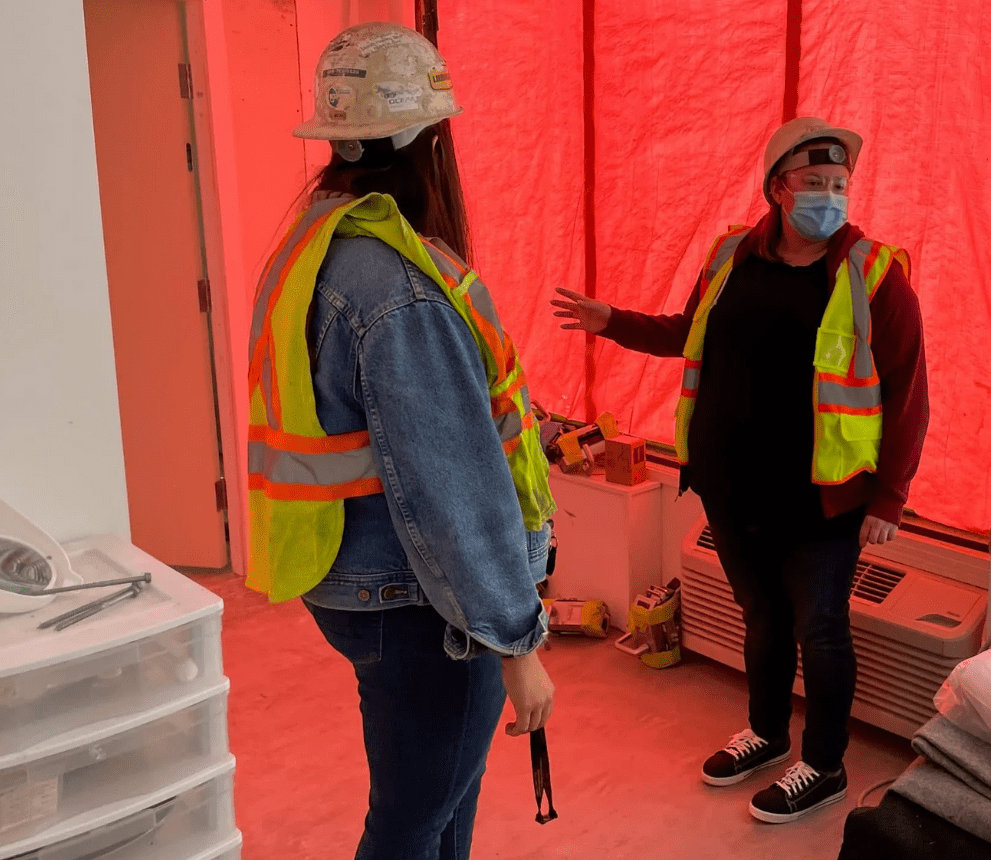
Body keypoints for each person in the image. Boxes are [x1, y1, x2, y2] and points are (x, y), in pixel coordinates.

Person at [551, 117, 930, 824]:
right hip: (730, 484)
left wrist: (890, 498)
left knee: (820, 629)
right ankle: (765, 732)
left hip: (822, 501)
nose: (830, 196)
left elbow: (909, 393)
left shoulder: (873, 275)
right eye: (814, 183)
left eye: (840, 185)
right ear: (778, 189)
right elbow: (687, 333)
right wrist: (614, 322)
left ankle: (823, 764)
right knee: (760, 615)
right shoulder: (731, 255)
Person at [247, 22, 557, 860]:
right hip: (425, 606)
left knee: (440, 807)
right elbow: (450, 491)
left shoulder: (317, 246)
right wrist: (516, 637)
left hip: (355, 581)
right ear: (428, 141)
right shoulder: (398, 286)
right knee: (410, 826)